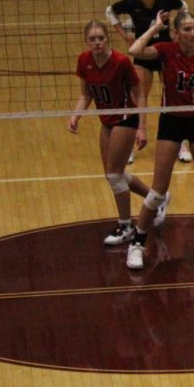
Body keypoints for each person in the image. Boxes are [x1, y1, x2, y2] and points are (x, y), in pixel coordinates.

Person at [126, 11, 194, 270]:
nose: (192, 33)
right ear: (176, 33)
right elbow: (135, 49)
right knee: (157, 191)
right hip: (171, 120)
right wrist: (155, 28)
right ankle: (137, 244)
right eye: (186, 29)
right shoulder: (166, 49)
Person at [67, 20, 167, 246]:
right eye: (92, 39)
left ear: (107, 39)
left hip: (126, 117)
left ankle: (126, 225)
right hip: (106, 120)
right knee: (113, 174)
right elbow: (85, 95)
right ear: (87, 41)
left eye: (100, 38)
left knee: (114, 174)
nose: (97, 43)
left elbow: (139, 93)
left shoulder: (121, 61)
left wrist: (142, 127)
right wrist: (75, 115)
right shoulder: (84, 60)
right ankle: (157, 197)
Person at [106, 0, 193, 165]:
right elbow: (109, 11)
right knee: (139, 97)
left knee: (173, 94)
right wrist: (124, 34)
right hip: (143, 53)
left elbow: (184, 7)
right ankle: (131, 143)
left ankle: (180, 143)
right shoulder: (131, 3)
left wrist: (178, 31)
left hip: (165, 52)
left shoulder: (166, 0)